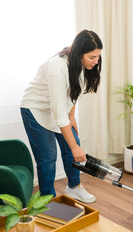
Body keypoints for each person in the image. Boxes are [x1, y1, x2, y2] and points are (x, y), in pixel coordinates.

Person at [20, 30, 103, 203]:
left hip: (57, 110)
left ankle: (74, 187)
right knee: (48, 157)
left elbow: (73, 92)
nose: (96, 62)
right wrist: (73, 147)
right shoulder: (57, 69)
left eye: (98, 57)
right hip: (36, 110)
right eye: (92, 57)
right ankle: (47, 200)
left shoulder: (80, 64)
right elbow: (58, 114)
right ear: (80, 53)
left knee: (74, 144)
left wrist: (72, 116)